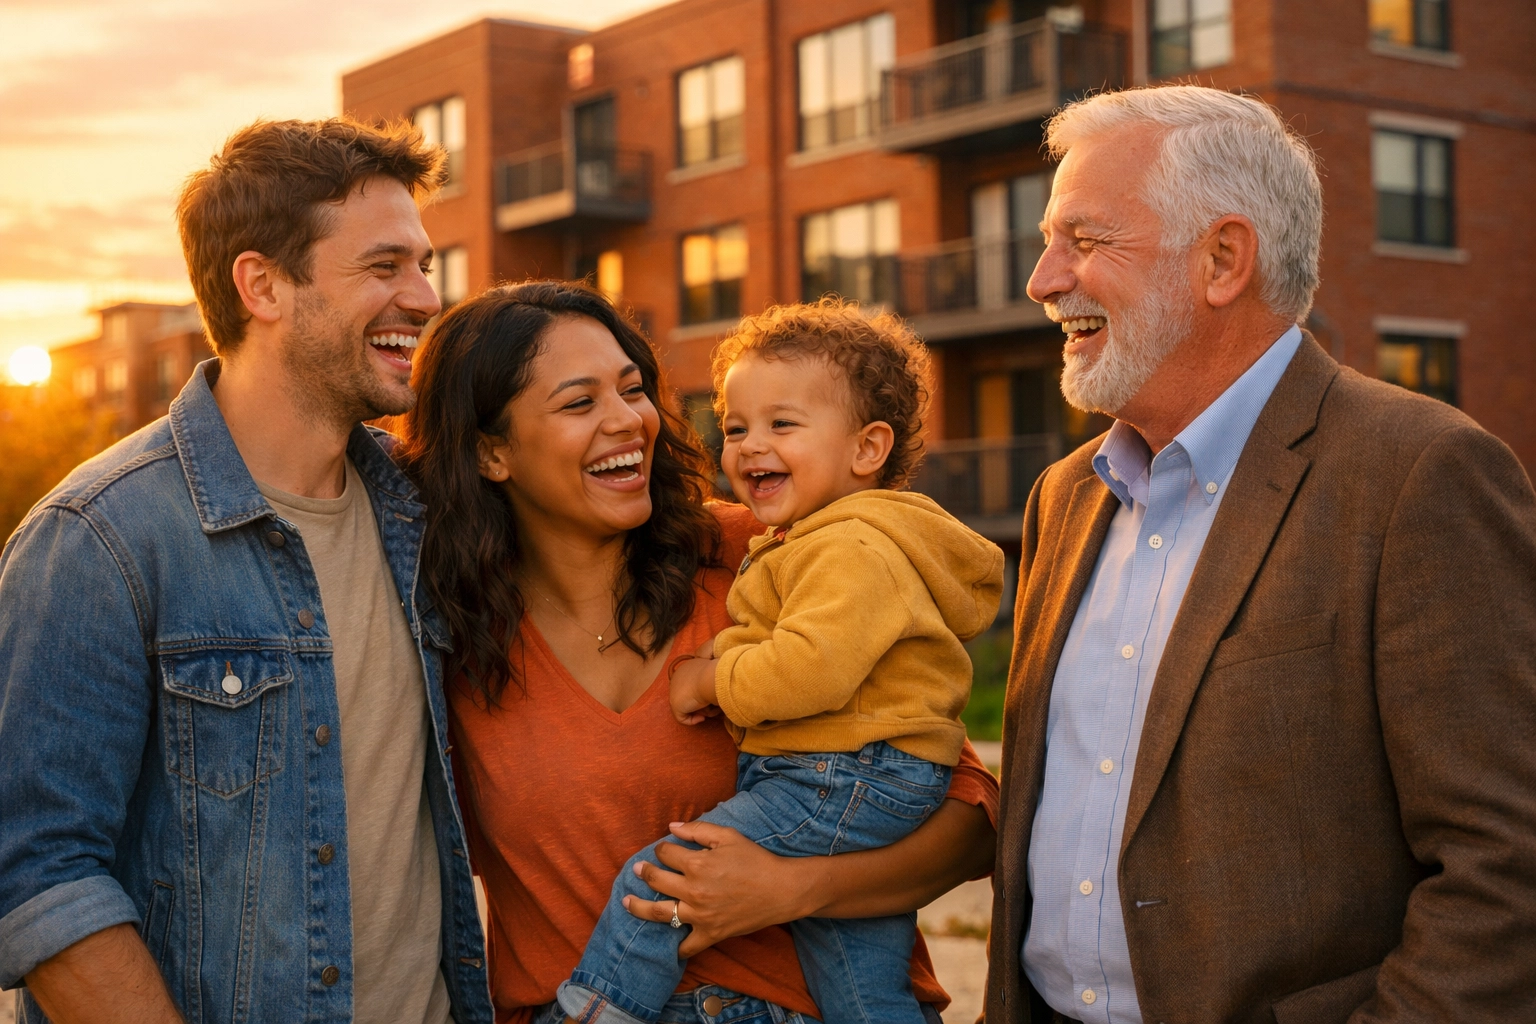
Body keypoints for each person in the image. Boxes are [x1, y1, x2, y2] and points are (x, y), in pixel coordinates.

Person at [986, 84, 1536, 1024]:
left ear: (1223, 259)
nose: (1043, 280)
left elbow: (1507, 868)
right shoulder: (1065, 495)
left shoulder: (1419, 475)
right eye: (1048, 242)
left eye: (1084, 240)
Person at [399, 281, 1000, 1024]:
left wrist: (792, 889)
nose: (629, 421)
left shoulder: (769, 555)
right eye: (580, 403)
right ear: (493, 452)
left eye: (633, 389)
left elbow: (970, 822)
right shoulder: (442, 637)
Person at [0, 119, 494, 1024]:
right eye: (385, 267)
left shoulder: (424, 514)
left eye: (426, 265)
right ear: (262, 284)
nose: (424, 298)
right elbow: (38, 873)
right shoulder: (100, 538)